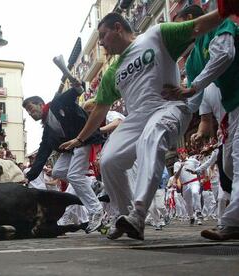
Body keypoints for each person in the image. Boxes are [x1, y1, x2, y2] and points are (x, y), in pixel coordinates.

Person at [60, 10, 232, 240]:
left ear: (118, 28)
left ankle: (139, 213)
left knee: (153, 135)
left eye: (103, 35)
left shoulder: (157, 35)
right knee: (109, 161)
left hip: (168, 107)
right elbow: (99, 108)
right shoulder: (112, 72)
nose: (100, 42)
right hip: (135, 119)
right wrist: (80, 139)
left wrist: (227, 7)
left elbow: (199, 25)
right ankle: (127, 218)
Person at [171, 4, 239, 240]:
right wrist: (166, 124)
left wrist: (193, 86)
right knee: (228, 165)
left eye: (176, 25)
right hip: (232, 109)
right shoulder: (191, 62)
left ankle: (233, 222)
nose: (173, 33)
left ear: (190, 20)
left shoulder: (220, 22)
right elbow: (191, 102)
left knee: (237, 163)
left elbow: (225, 54)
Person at [23, 79, 105, 234]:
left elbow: (77, 90)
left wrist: (77, 85)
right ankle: (92, 183)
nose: (30, 113)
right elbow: (42, 154)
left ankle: (97, 211)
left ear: (41, 104)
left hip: (84, 139)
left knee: (74, 175)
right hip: (71, 149)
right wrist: (29, 177)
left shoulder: (57, 103)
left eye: (30, 108)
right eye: (27, 112)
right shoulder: (48, 130)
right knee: (58, 171)